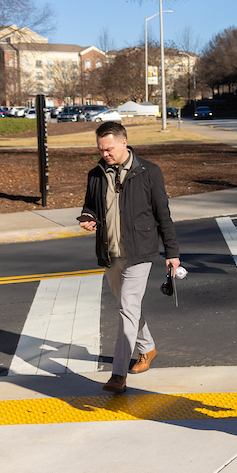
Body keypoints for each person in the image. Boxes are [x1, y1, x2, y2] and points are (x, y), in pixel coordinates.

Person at [78, 122, 179, 395]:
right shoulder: (96, 174)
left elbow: (163, 215)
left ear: (124, 142)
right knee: (129, 308)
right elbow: (90, 205)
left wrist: (172, 253)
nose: (105, 154)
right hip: (109, 252)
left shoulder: (149, 172)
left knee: (127, 308)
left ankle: (118, 374)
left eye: (109, 149)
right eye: (101, 150)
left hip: (139, 253)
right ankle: (148, 348)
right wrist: (87, 217)